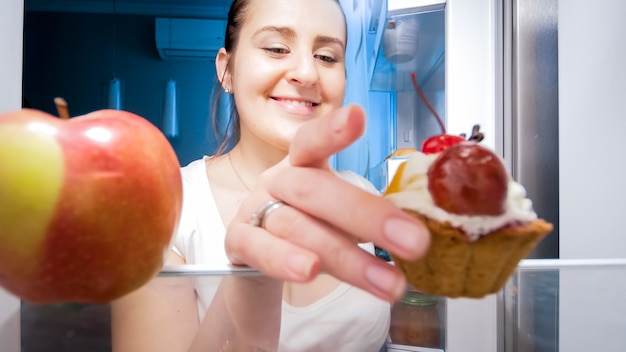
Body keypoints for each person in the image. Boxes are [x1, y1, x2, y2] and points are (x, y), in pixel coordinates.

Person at [111, 0, 430, 351]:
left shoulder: (362, 194)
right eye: (277, 48)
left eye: (326, 56)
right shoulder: (165, 209)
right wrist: (247, 281)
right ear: (227, 69)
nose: (307, 73)